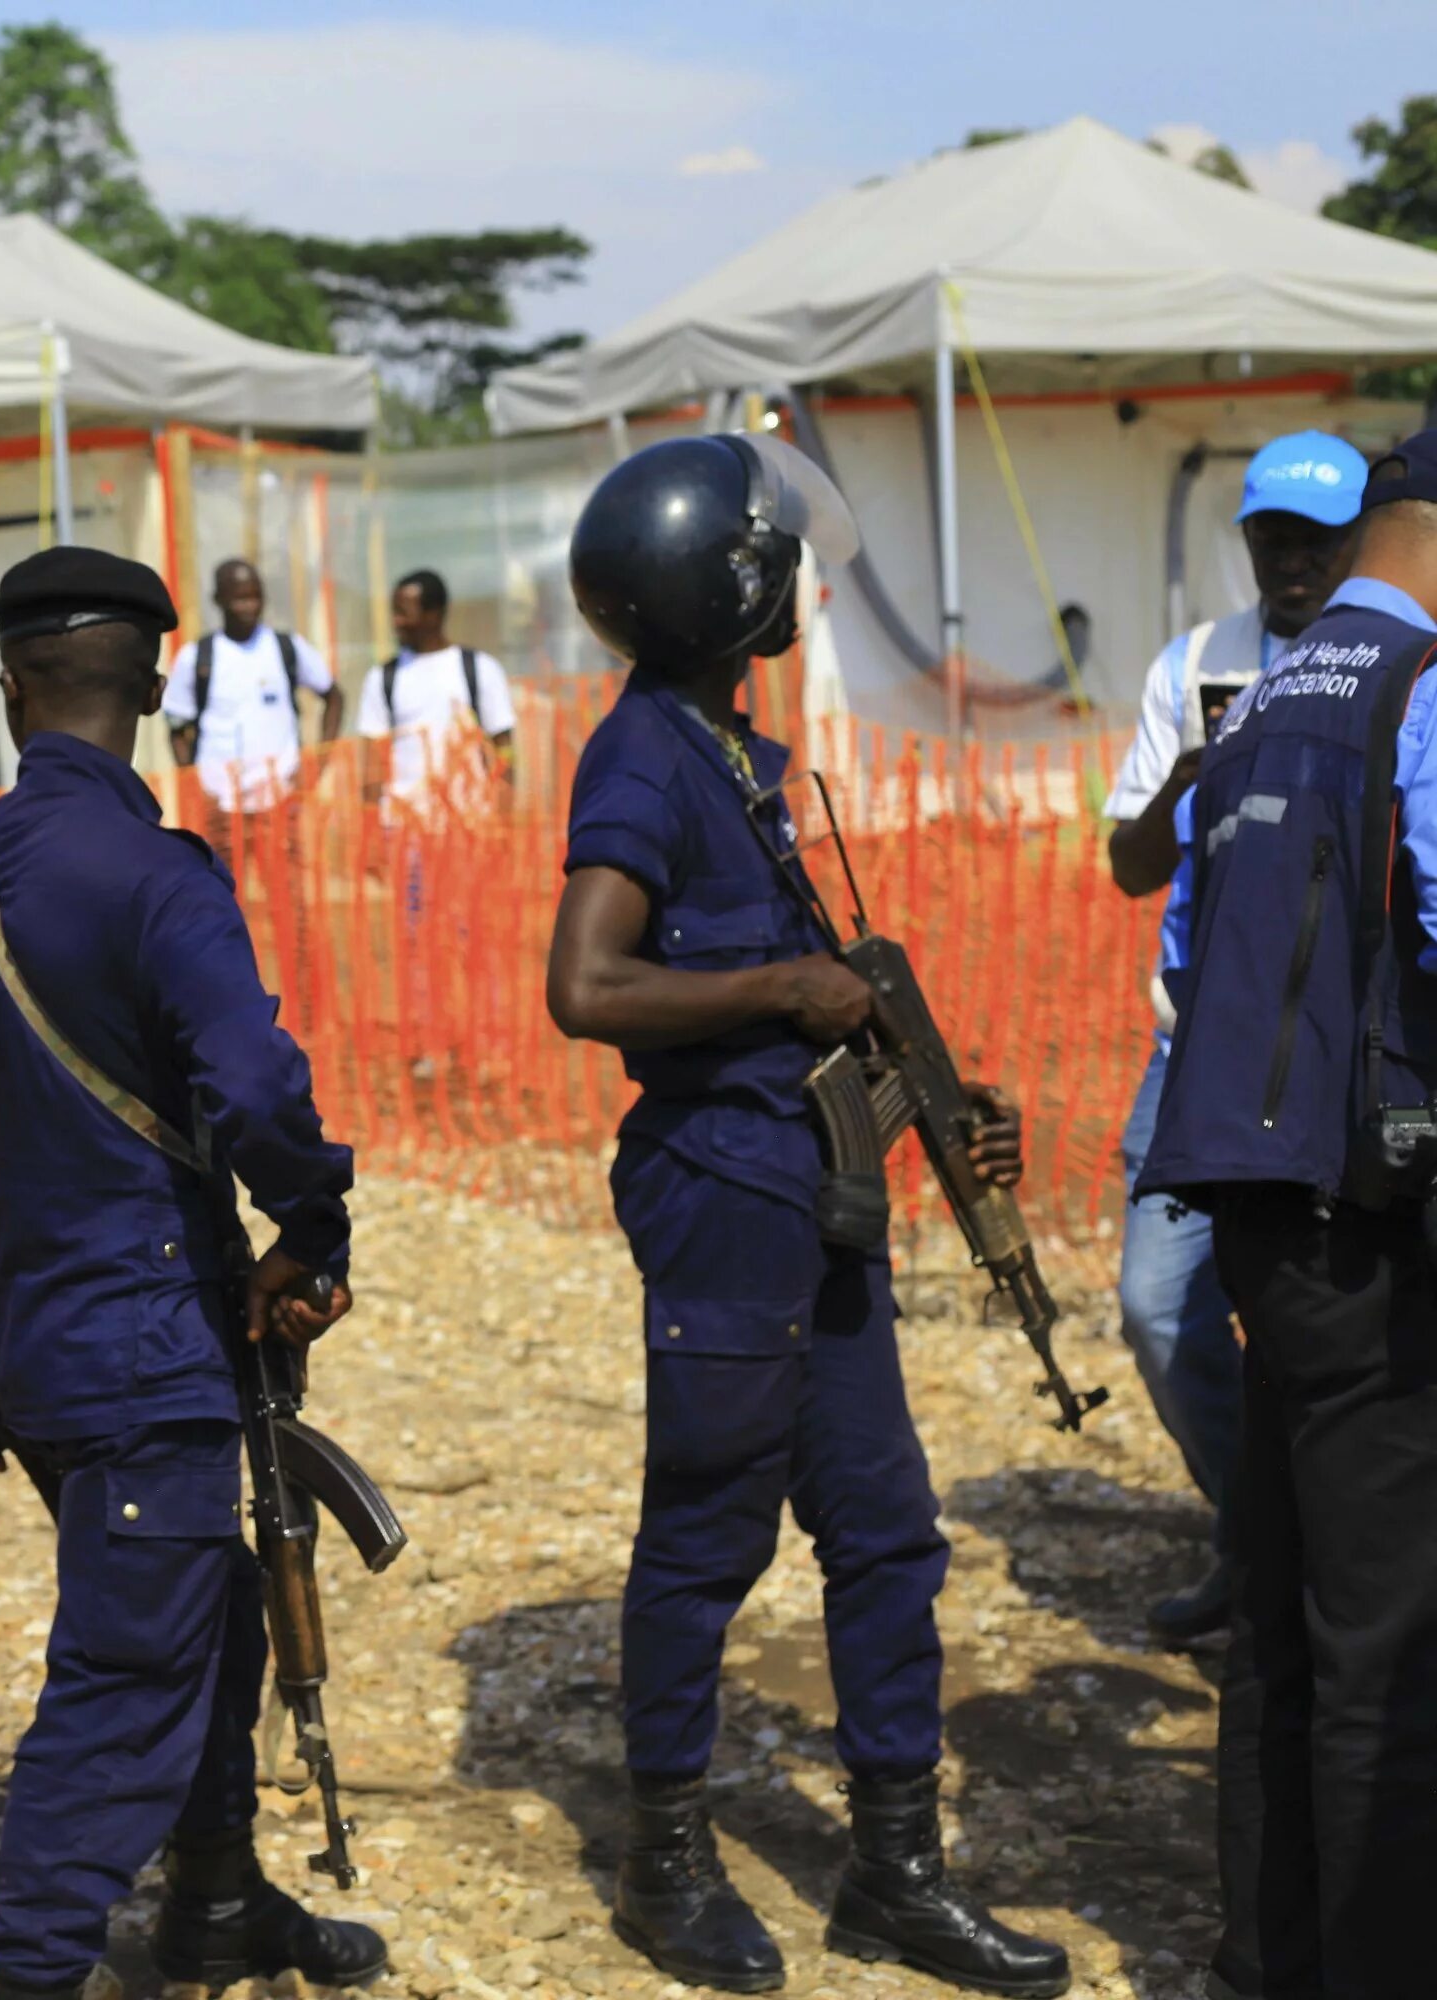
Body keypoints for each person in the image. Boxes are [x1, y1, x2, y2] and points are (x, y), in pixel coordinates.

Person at [546, 434, 1066, 1999]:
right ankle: (664, 1864)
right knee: (705, 1537)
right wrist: (783, 984)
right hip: (721, 1199)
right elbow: (586, 985)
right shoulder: (644, 754)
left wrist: (942, 1099)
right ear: (731, 585)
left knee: (888, 1538)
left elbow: (832, 1007)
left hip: (814, 1203)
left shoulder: (733, 754)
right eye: (779, 558)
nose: (801, 580)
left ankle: (895, 1875)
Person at [0, 545, 382, 2000]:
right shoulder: (159, 876)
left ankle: (215, 1901)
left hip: (50, 1363)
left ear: (12, 686)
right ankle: (38, 1969)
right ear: (152, 680)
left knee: (205, 1630)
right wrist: (315, 1231)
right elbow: (258, 1092)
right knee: (121, 1689)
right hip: (157, 1356)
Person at [1138, 432, 1437, 2000]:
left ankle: (1270, 1961)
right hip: (1370, 1218)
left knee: (1282, 1613)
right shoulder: (1419, 688)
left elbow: (1200, 938)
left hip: (1259, 1198)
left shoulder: (1267, 692)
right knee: (1387, 1643)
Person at [1100, 431, 1366, 1652]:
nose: (1293, 557)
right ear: (1247, 535)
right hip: (1200, 1044)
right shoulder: (1196, 660)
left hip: (1343, 1049)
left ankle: (1333, 1563)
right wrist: (1191, 780)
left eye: (1318, 535)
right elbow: (1126, 865)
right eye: (1274, 534)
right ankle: (1258, 1534)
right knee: (1161, 1307)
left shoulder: (1394, 661)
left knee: (1339, 1315)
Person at [163, 556, 342, 818]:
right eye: (240, 598)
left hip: (282, 801)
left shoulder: (287, 648)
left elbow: (334, 697)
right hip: (219, 806)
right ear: (218, 600)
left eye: (255, 597)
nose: (250, 606)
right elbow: (177, 728)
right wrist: (196, 787)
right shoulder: (195, 657)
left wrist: (317, 764)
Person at [356, 567, 517, 805]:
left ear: (434, 614)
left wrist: (505, 822)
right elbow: (372, 762)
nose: (396, 622)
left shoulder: (479, 668)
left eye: (403, 612)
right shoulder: (381, 678)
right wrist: (371, 826)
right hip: (403, 829)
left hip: (471, 824)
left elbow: (504, 749)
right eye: (394, 612)